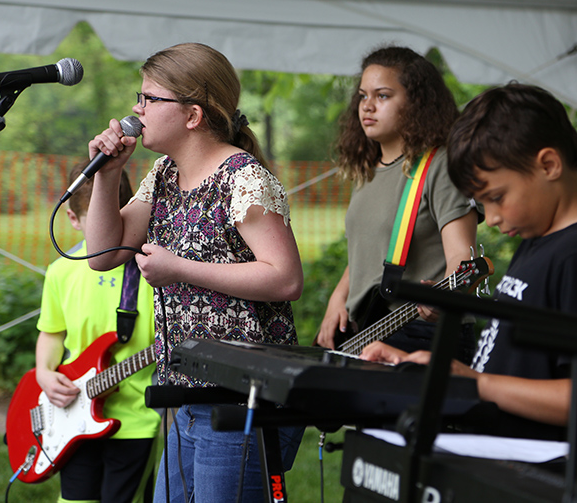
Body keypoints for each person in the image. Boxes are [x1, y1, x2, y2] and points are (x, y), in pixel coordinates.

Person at [82, 43, 304, 502]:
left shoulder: (242, 176)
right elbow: (103, 254)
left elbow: (285, 278)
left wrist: (179, 268)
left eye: (149, 98)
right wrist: (107, 175)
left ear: (193, 115)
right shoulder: (163, 174)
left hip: (241, 399)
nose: (136, 109)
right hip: (187, 396)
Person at [361, 83, 577, 448]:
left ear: (549, 164)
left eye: (497, 197)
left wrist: (477, 384)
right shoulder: (537, 241)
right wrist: (436, 369)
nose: (489, 219)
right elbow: (516, 378)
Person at [315, 45, 479, 362]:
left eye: (383, 96)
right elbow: (373, 250)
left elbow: (463, 255)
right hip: (368, 329)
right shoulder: (369, 169)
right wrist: (339, 298)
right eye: (363, 96)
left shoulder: (439, 164)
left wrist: (444, 297)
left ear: (418, 104)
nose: (367, 107)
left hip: (422, 332)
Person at [35, 163, 160, 503]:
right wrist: (45, 374)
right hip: (71, 415)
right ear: (73, 220)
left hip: (136, 420)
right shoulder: (60, 271)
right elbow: (51, 332)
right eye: (95, 219)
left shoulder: (153, 270)